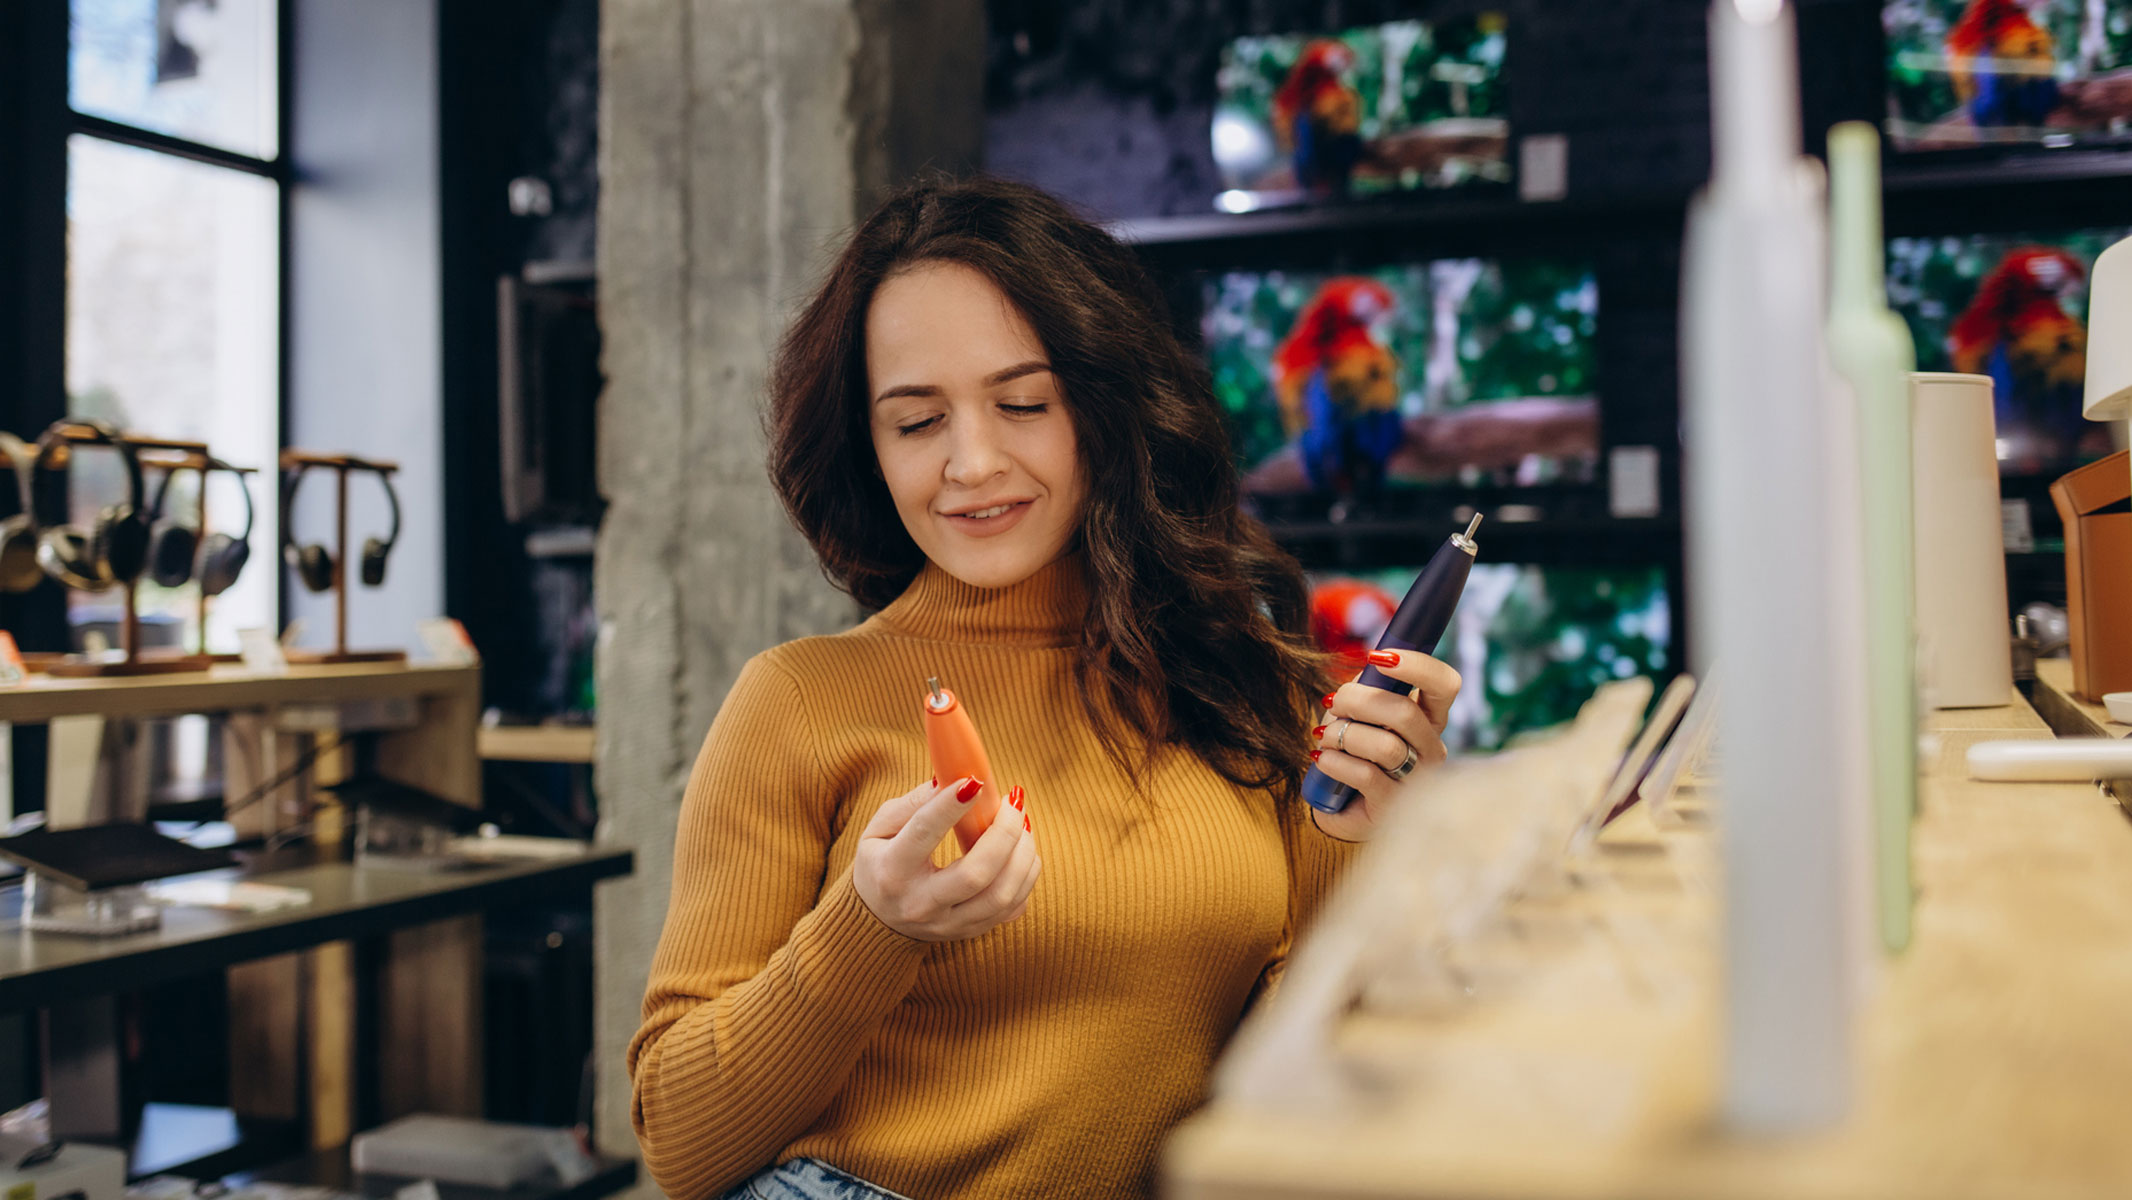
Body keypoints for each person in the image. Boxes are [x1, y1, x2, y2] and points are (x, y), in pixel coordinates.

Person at [628, 176, 1460, 1200]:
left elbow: (1304, 1079)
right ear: (867, 446)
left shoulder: (1248, 685)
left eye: (1023, 403)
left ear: (1106, 408)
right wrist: (869, 928)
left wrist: (1362, 840)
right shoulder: (798, 701)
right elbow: (676, 1143)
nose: (971, 463)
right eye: (915, 421)